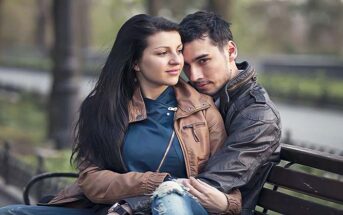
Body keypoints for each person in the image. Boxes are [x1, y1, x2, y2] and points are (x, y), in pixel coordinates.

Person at [0, 14, 241, 215]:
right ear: (136, 62)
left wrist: (147, 197)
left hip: (170, 208)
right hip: (109, 210)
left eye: (178, 50)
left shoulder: (203, 110)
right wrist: (153, 182)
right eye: (162, 53)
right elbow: (92, 180)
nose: (176, 61)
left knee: (170, 202)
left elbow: (224, 187)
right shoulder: (103, 107)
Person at [179, 11, 282, 215]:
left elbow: (206, 187)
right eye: (187, 66)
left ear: (231, 51)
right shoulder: (191, 97)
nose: (194, 75)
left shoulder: (257, 115)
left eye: (203, 60)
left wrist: (130, 203)